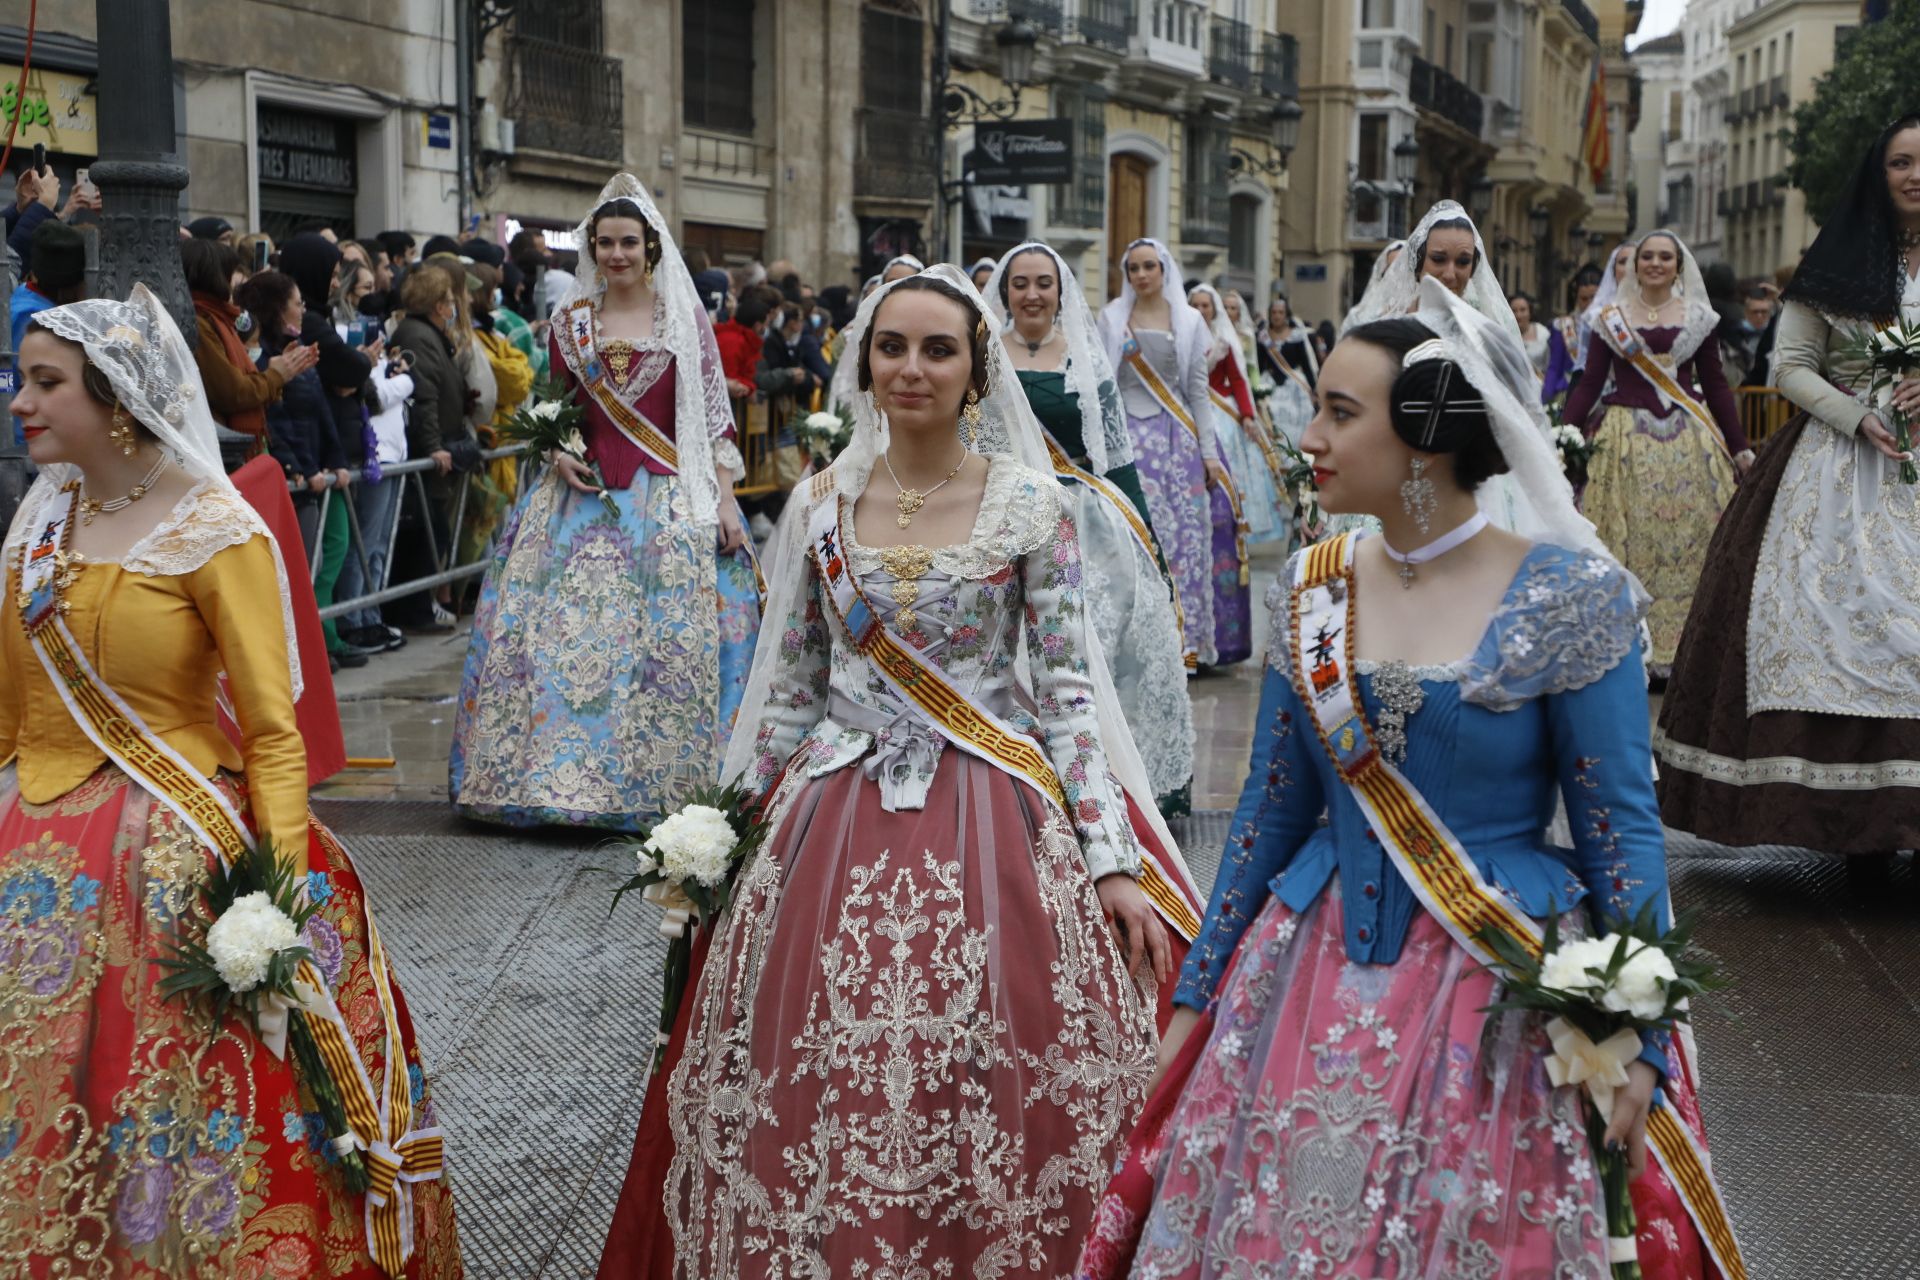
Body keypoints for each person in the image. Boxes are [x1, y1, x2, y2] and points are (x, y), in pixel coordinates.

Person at [1078, 277, 1741, 1280]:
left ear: (1427, 433)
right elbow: (1265, 814)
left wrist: (1638, 1031)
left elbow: (1620, 831)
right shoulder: (1313, 585)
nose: (1309, 433)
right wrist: (1197, 995)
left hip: (1493, 993)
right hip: (1301, 972)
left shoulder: (1571, 595)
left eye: (1342, 412)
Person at [658, 264, 1201, 1280]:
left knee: (993, 1062)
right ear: (864, 361)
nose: (912, 368)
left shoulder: (1034, 508)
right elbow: (789, 691)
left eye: (938, 349)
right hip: (829, 815)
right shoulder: (819, 507)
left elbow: (1069, 692)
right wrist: (723, 846)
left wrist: (1111, 855)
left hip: (992, 810)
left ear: (976, 368)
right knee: (815, 1070)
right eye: (892, 347)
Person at [0, 284, 460, 1275]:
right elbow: (10, 714)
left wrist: (275, 900)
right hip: (28, 858)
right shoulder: (38, 525)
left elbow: (271, 731)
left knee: (169, 1118)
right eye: (22, 379)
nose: (19, 402)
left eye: (45, 383)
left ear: (116, 398)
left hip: (168, 859)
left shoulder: (212, 527)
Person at [449, 174, 759, 830]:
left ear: (651, 248)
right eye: (605, 243)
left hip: (667, 500)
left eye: (629, 242)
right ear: (591, 247)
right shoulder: (572, 322)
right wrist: (556, 448)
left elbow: (711, 421)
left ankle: (659, 783)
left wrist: (725, 500)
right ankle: (553, 780)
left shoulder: (683, 318)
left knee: (660, 646)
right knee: (559, 647)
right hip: (577, 501)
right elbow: (556, 405)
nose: (617, 254)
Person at [1656, 114, 1920, 873]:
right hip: (1841, 465)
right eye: (1899, 161)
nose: (1913, 175)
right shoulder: (1835, 262)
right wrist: (1859, 415)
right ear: (1878, 173)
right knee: (1831, 618)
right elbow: (1794, 364)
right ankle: (1856, 825)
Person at [987, 240, 1196, 813]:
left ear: (1060, 292)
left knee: (1102, 647)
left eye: (1043, 283)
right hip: (1004, 516)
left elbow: (1117, 460)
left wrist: (1147, 542)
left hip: (1083, 520)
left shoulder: (1085, 357)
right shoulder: (984, 358)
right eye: (1021, 283)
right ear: (1005, 291)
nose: (1032, 294)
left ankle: (1107, 782)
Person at [1562, 230, 1752, 678]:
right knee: (1628, 541)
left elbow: (1716, 384)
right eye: (1647, 256)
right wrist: (1565, 432)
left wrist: (1740, 446)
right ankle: (1630, 648)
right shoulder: (1610, 318)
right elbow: (1591, 381)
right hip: (1626, 439)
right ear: (1632, 264)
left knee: (1695, 543)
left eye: (1665, 257)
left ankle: (1688, 653)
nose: (1655, 263)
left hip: (1690, 441)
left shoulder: (1700, 318)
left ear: (1678, 265)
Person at [1099, 238, 1228, 668]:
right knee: (1135, 540)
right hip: (1130, 443)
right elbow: (1105, 388)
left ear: (1164, 269)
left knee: (1184, 541)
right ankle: (1135, 647)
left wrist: (1209, 454)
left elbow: (1197, 391)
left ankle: (1183, 645)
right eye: (1133, 268)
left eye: (1148, 266)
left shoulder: (1190, 320)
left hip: (1179, 443)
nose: (1141, 275)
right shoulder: (1113, 318)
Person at [387, 262, 474, 632]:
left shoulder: (428, 334)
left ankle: (416, 609)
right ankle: (412, 611)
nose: (455, 305)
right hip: (428, 455)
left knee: (432, 531)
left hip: (439, 448)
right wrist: (435, 446)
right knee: (426, 532)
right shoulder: (418, 336)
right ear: (440, 304)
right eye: (451, 299)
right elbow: (424, 396)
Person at [184, 238, 315, 458]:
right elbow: (233, 391)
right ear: (215, 278)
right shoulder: (201, 321)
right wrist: (275, 376)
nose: (235, 285)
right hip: (218, 452)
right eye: (230, 275)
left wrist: (278, 373)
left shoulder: (219, 318)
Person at [1191, 281, 1285, 582]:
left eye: (1206, 305)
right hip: (1191, 410)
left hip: (1222, 412)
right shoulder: (1178, 335)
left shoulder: (1223, 341)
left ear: (1213, 309)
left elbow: (1239, 379)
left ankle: (1228, 525)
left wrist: (1246, 414)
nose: (1201, 310)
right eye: (1196, 304)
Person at [1256, 293, 1319, 446]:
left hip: (1294, 386)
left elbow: (1306, 366)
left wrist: (1314, 390)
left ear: (1287, 315)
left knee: (1295, 418)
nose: (1277, 316)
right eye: (1274, 313)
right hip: (1269, 385)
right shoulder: (1262, 337)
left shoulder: (1296, 336)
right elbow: (1258, 365)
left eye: (1280, 313)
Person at [1543, 264, 1603, 403]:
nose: (1589, 303)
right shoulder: (1563, 325)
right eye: (1584, 299)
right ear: (1576, 298)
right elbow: (1554, 367)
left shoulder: (1612, 323)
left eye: (1593, 298)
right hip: (1569, 394)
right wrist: (1545, 400)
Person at [1510, 289, 1550, 378]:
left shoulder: (1543, 333)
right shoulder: (1505, 334)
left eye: (1522, 310)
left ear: (1530, 312)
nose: (1518, 315)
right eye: (1514, 310)